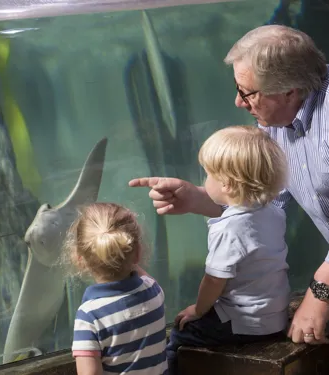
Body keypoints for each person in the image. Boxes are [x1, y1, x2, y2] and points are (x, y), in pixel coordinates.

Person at [129, 24, 329, 345]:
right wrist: (197, 198)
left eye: (247, 92)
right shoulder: (274, 120)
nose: (238, 102)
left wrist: (320, 293)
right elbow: (262, 203)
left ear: (290, 91)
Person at [165, 125, 290, 374]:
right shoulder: (274, 212)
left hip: (244, 323)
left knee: (180, 335)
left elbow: (214, 280)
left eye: (209, 174)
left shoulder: (229, 229)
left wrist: (198, 310)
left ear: (229, 185)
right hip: (276, 316)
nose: (205, 180)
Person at [65, 202, 168, 375]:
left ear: (79, 259)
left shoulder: (90, 316)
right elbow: (140, 273)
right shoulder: (153, 292)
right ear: (138, 252)